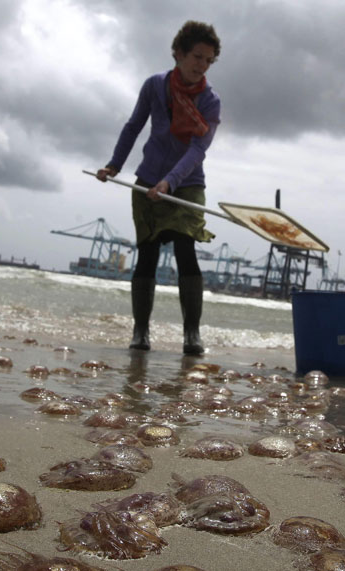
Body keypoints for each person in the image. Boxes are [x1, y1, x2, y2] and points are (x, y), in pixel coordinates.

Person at [97, 20, 221, 356]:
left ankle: (192, 334)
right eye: (197, 57)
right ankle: (140, 331)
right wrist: (114, 165)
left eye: (209, 61)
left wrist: (171, 181)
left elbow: (198, 150)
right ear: (179, 53)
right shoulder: (155, 85)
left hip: (187, 184)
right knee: (147, 253)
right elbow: (134, 126)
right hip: (149, 178)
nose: (202, 65)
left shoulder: (210, 101)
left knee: (185, 250)